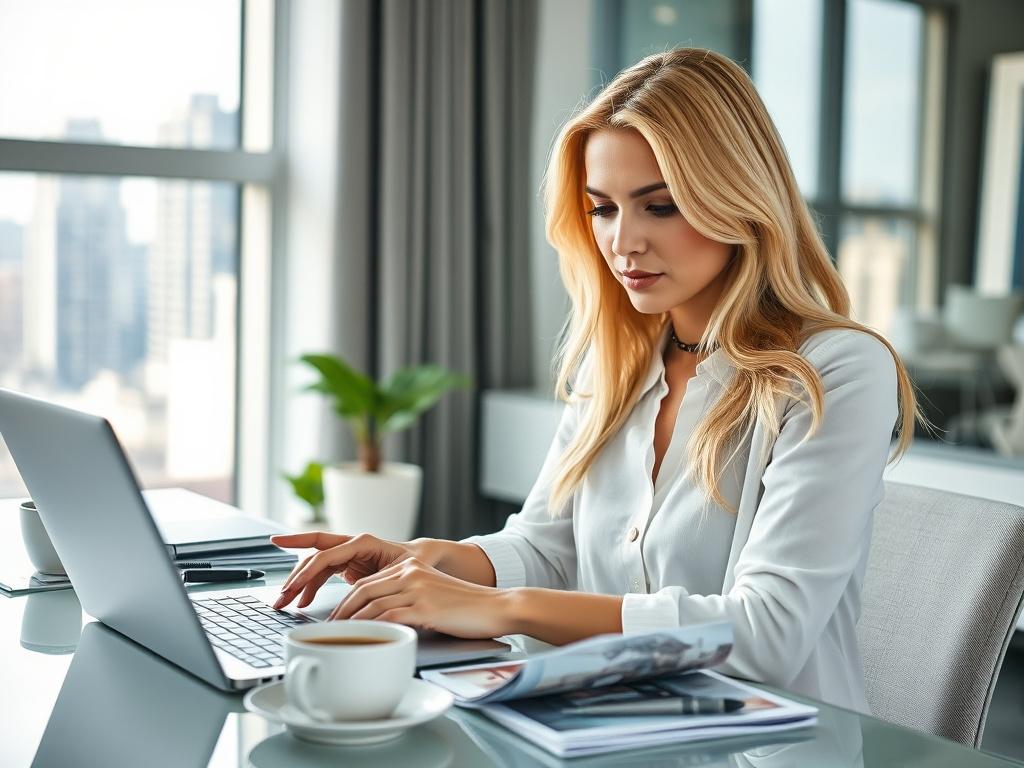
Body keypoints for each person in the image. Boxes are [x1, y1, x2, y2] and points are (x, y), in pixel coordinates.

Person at [271, 48, 920, 713]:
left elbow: (765, 634)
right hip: (605, 728)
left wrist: (499, 608)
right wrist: (426, 564)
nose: (623, 242)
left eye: (659, 206)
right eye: (602, 209)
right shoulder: (617, 360)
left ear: (740, 199)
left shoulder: (834, 370)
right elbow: (545, 544)